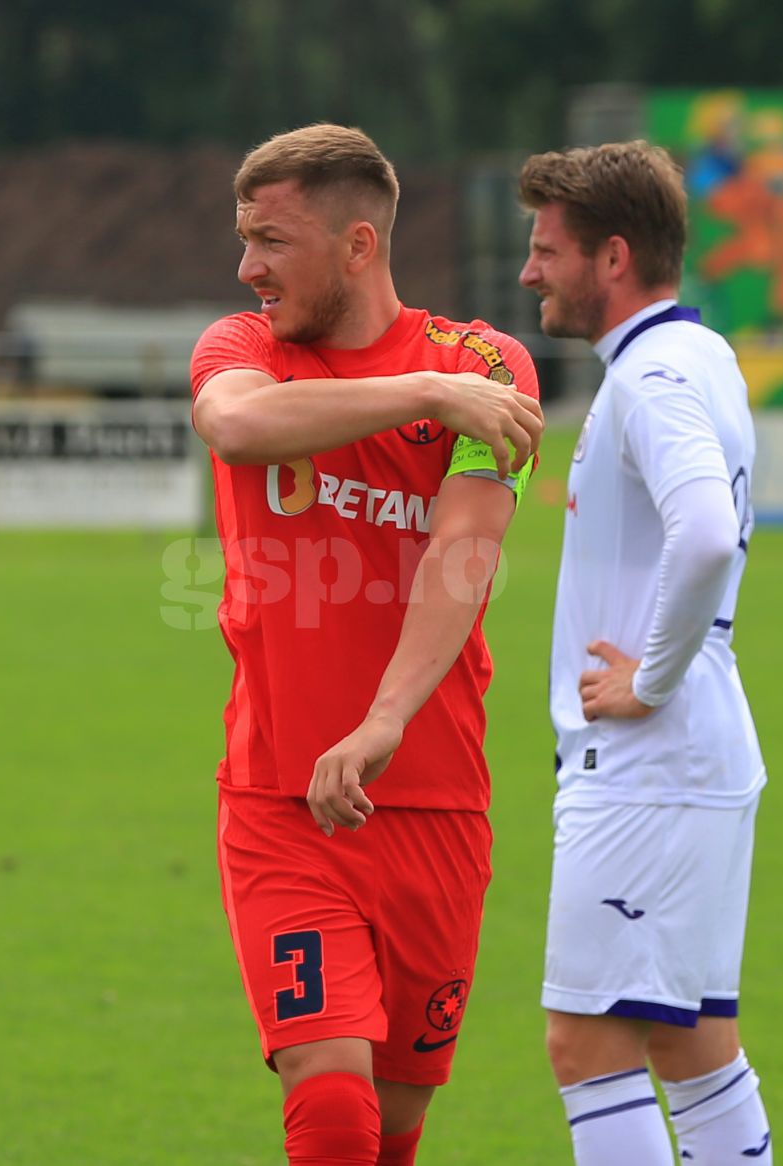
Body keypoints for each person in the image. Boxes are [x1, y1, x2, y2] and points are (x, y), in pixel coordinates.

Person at [189, 123, 543, 1166]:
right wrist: (424, 395)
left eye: (270, 240)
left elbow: (465, 551)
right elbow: (238, 427)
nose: (246, 266)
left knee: (391, 1129)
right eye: (244, 238)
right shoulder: (243, 347)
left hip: (435, 805)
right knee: (332, 1106)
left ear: (356, 246)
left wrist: (386, 715)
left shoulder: (488, 362)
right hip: (283, 803)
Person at [516, 140, 773, 1165]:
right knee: (691, 1042)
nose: (530, 270)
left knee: (585, 1043)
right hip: (692, 759)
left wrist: (649, 675)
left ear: (611, 256)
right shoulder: (698, 355)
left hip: (647, 767)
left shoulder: (654, 375)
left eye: (546, 249)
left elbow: (705, 529)